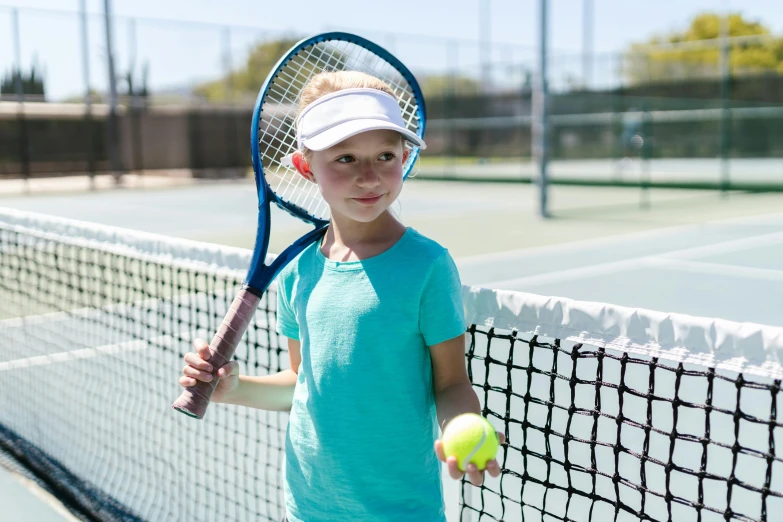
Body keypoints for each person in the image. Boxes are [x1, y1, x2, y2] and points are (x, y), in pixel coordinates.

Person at [179, 71, 504, 522]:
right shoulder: (298, 273)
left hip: (401, 510)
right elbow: (301, 382)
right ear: (306, 167)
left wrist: (461, 427)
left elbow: (450, 383)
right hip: (309, 504)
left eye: (385, 155)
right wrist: (234, 388)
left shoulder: (427, 267)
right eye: (346, 158)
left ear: (405, 157)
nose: (369, 177)